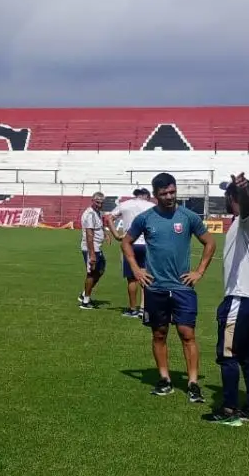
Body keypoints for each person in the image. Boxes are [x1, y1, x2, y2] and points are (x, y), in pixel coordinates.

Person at [122, 172, 217, 404]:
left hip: (183, 287)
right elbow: (126, 241)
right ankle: (164, 379)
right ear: (155, 195)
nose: (169, 196)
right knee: (159, 333)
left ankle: (193, 383)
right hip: (155, 288)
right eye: (164, 193)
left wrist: (199, 271)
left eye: (172, 192)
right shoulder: (145, 218)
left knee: (187, 335)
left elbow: (210, 242)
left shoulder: (188, 216)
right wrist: (136, 269)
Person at [204, 173, 249, 426]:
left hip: (240, 299)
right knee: (248, 357)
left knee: (227, 355)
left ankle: (229, 410)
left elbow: (247, 207)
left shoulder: (248, 220)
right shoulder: (239, 223)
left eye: (227, 194)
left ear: (233, 198)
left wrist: (243, 194)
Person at [105, 189, 154, 317]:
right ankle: (143, 308)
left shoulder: (125, 204)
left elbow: (109, 218)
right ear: (146, 196)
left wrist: (116, 235)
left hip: (129, 244)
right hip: (146, 244)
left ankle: (133, 309)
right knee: (145, 276)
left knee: (131, 278)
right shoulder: (151, 206)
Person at [78, 192, 108, 309]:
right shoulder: (90, 214)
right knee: (91, 273)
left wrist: (105, 234)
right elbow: (89, 235)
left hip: (97, 247)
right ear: (92, 201)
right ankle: (85, 302)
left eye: (101, 202)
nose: (99, 205)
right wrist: (92, 254)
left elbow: (99, 226)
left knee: (100, 270)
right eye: (97, 202)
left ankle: (85, 294)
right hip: (91, 248)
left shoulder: (97, 213)